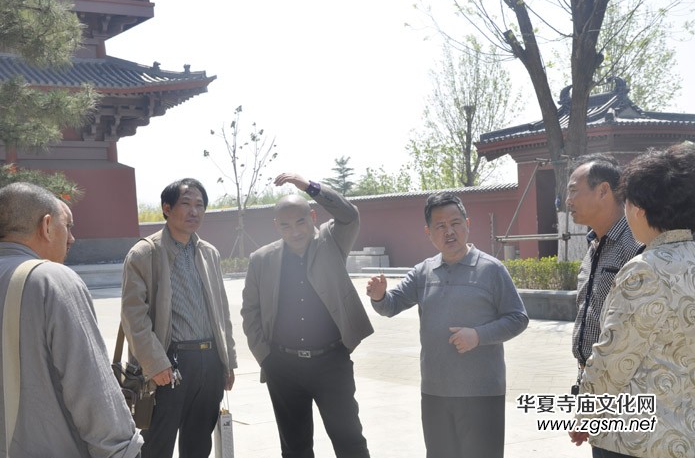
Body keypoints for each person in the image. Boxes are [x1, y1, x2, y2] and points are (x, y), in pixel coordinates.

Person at [366, 192, 529, 458]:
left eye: (455, 223)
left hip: (481, 393)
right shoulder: (423, 272)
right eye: (440, 226)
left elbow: (518, 318)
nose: (449, 231)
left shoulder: (491, 269)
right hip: (435, 393)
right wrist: (379, 296)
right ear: (428, 232)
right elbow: (391, 305)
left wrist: (478, 336)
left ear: (467, 223)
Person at [570, 142, 695, 457]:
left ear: (638, 209)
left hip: (638, 438)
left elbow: (613, 359)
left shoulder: (643, 270)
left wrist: (585, 414)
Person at [0, 182, 142, 458]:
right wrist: (122, 450)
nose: (72, 238)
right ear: (46, 226)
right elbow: (92, 389)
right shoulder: (50, 279)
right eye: (67, 226)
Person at [241, 173, 373, 458]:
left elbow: (349, 215)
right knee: (294, 447)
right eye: (285, 225)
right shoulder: (261, 260)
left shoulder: (331, 242)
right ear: (276, 226)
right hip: (283, 366)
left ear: (313, 217)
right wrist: (266, 358)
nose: (295, 231)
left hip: (331, 363)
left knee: (350, 441)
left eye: (301, 221)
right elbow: (250, 311)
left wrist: (308, 186)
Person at [121, 178, 237, 458]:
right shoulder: (145, 253)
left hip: (209, 362)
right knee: (156, 445)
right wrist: (155, 363)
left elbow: (222, 311)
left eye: (200, 205)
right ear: (167, 208)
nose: (194, 211)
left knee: (199, 445)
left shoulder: (208, 253)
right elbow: (133, 316)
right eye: (186, 203)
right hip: (168, 364)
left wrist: (227, 360)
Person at [565, 155, 643, 423]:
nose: (568, 201)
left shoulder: (636, 246)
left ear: (603, 191)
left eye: (574, 190)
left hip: (625, 386)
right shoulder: (593, 246)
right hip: (591, 380)